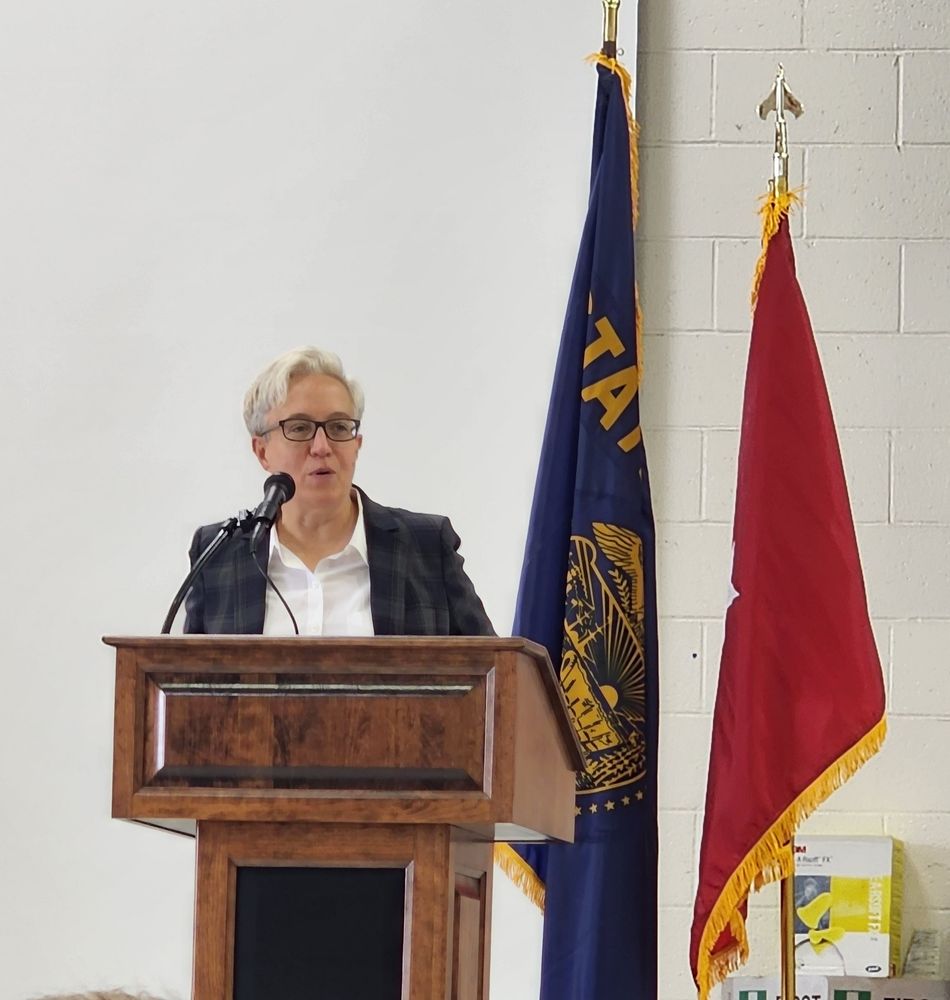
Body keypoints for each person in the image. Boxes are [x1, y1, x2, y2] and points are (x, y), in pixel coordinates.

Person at [183, 346, 494, 637]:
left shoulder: (425, 547)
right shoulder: (219, 556)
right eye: (300, 428)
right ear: (262, 451)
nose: (322, 447)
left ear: (356, 445)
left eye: (339, 427)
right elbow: (184, 687)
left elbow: (496, 678)